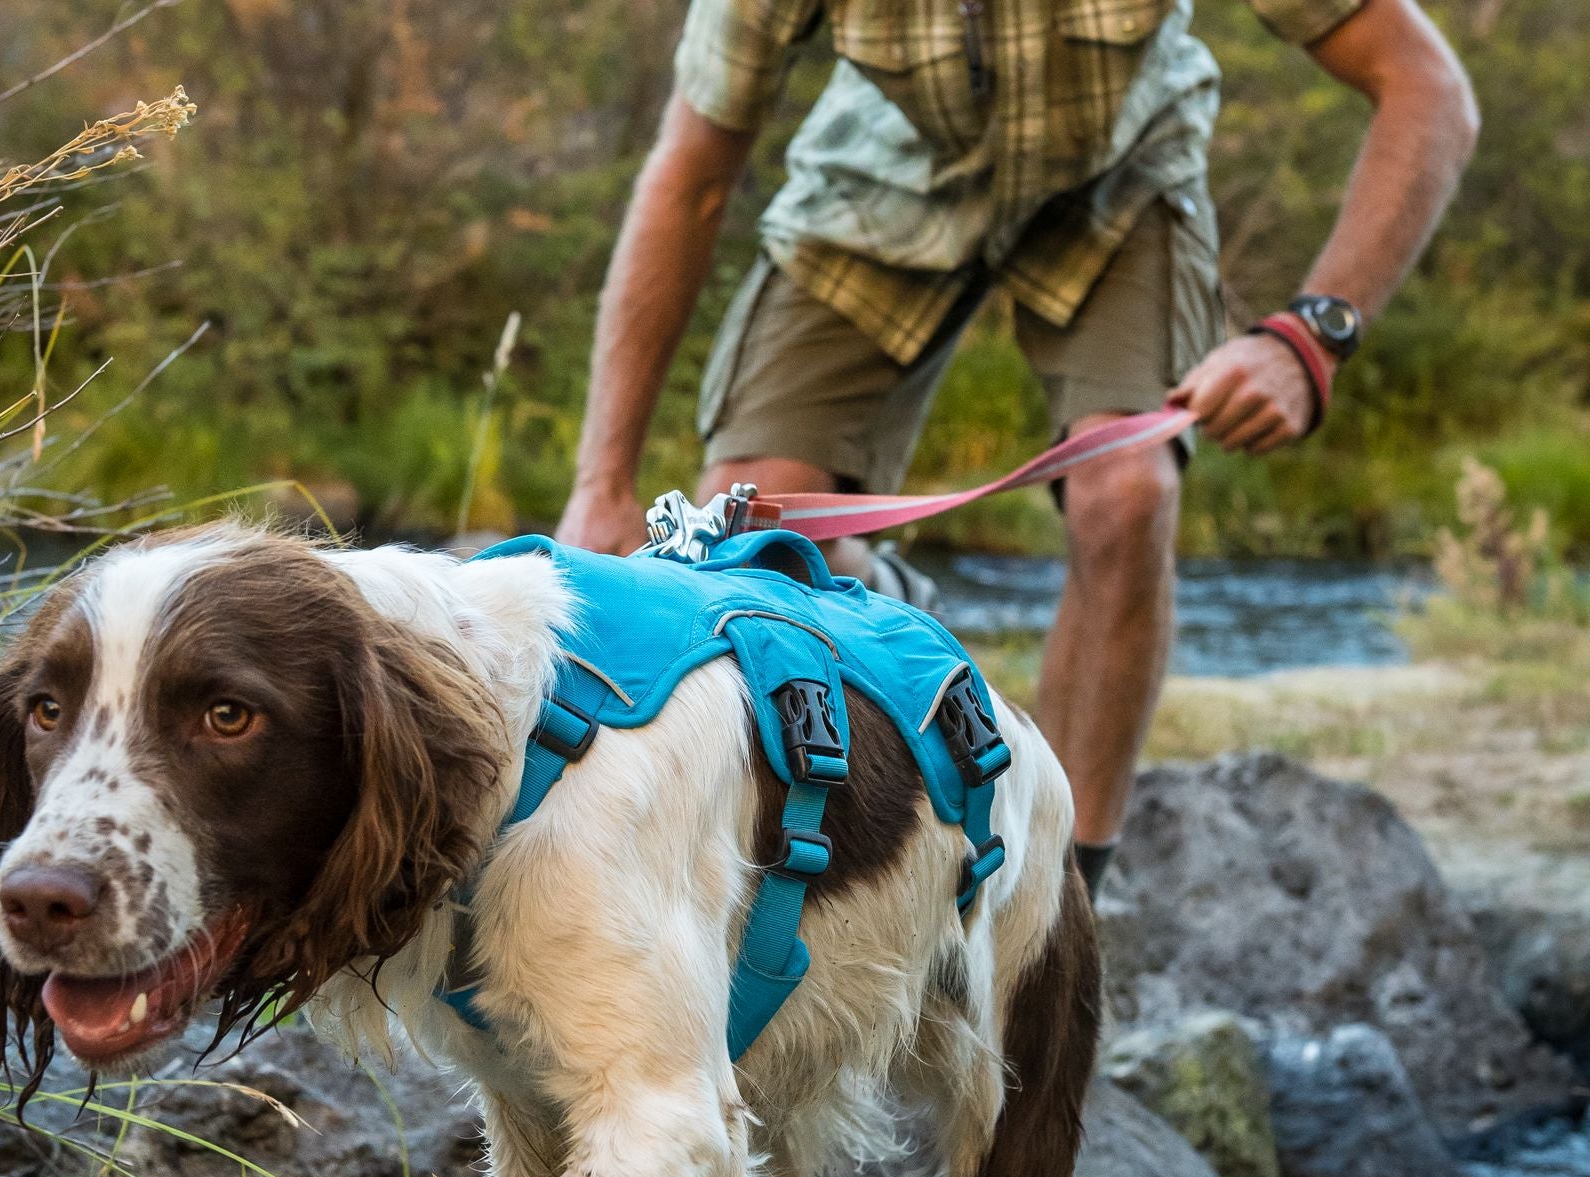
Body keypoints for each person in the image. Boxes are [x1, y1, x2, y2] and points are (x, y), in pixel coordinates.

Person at [554, 0, 1477, 895]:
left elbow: (1426, 86)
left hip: (1119, 184)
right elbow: (692, 176)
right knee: (756, 545)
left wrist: (1309, 337)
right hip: (876, 193)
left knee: (1127, 494)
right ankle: (888, 615)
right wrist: (604, 485)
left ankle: (1058, 908)